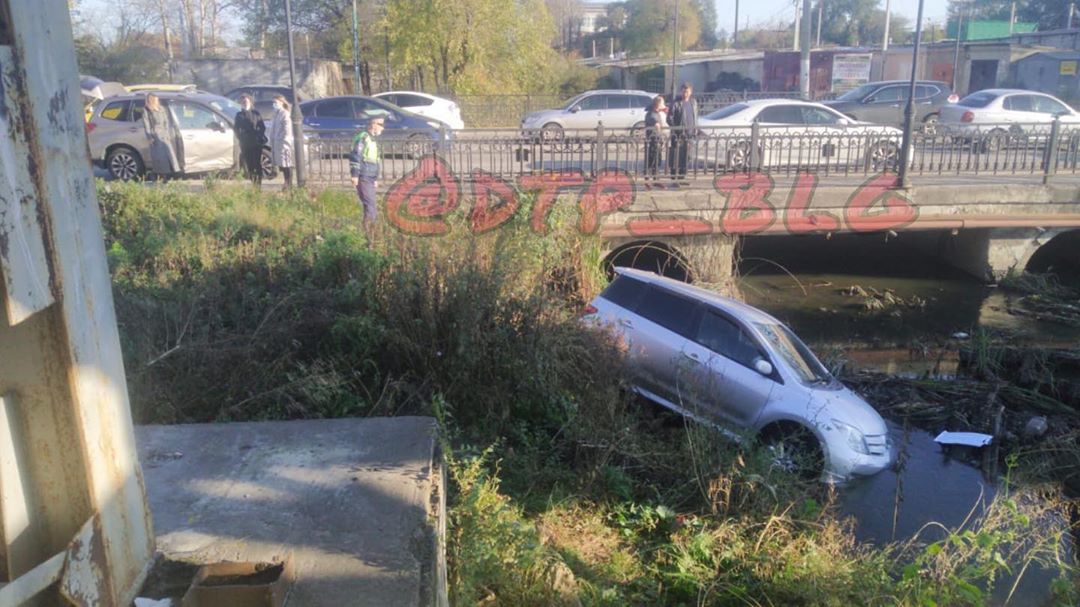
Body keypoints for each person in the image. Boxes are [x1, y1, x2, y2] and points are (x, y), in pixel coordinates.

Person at [350, 111, 385, 240]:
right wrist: (355, 175)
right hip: (363, 176)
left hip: (369, 177)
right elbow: (355, 156)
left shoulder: (372, 139)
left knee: (370, 205)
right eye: (381, 124)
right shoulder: (363, 137)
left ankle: (368, 234)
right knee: (370, 205)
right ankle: (370, 234)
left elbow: (374, 159)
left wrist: (375, 178)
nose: (383, 127)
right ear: (373, 124)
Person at [142, 93, 183, 179]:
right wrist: (150, 137)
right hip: (155, 135)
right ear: (151, 100)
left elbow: (166, 121)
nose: (157, 101)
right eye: (156, 99)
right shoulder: (147, 110)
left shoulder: (161, 109)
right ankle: (162, 173)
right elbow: (147, 125)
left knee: (169, 153)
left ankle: (174, 171)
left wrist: (167, 132)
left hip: (164, 134)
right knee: (160, 156)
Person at [668, 82, 699, 184]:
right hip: (678, 135)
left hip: (690, 134)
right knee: (676, 156)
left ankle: (682, 177)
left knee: (686, 156)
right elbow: (670, 118)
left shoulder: (693, 102)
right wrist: (677, 129)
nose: (685, 93)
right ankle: (675, 178)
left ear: (691, 92)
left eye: (687, 91)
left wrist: (695, 129)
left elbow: (695, 117)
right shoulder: (676, 103)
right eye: (684, 91)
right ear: (681, 91)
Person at [233, 94, 266, 187]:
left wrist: (258, 135)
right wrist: (241, 137)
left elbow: (262, 127)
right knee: (250, 165)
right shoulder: (239, 115)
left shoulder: (256, 113)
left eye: (246, 101)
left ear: (250, 102)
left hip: (256, 143)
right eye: (243, 102)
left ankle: (258, 184)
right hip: (245, 143)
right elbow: (236, 129)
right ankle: (253, 183)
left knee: (257, 164)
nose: (244, 103)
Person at [268, 94, 295, 189]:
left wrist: (284, 140)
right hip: (277, 141)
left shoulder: (285, 113)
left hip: (283, 142)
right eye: (273, 102)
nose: (273, 104)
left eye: (275, 102)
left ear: (281, 103)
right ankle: (286, 183)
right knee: (282, 164)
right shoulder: (276, 113)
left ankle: (288, 184)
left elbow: (287, 129)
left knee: (286, 164)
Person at [644, 95, 668, 187]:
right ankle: (647, 181)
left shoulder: (657, 113)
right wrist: (657, 124)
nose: (664, 105)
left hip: (658, 140)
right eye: (662, 103)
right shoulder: (651, 114)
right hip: (652, 141)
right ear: (658, 105)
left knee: (657, 160)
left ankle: (656, 179)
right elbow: (653, 121)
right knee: (650, 161)